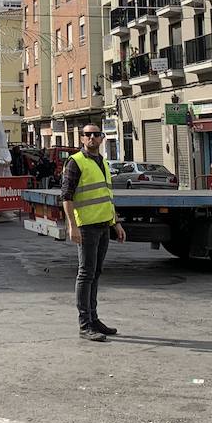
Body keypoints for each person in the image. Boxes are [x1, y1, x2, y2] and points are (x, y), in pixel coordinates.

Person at [61, 123, 125, 341]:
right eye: (88, 135)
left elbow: (107, 196)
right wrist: (72, 226)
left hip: (103, 225)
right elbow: (67, 197)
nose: (92, 138)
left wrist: (116, 223)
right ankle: (85, 324)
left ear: (102, 138)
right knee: (86, 273)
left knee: (96, 273)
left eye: (96, 134)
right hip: (86, 227)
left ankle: (94, 318)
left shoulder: (103, 162)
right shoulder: (75, 162)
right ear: (81, 139)